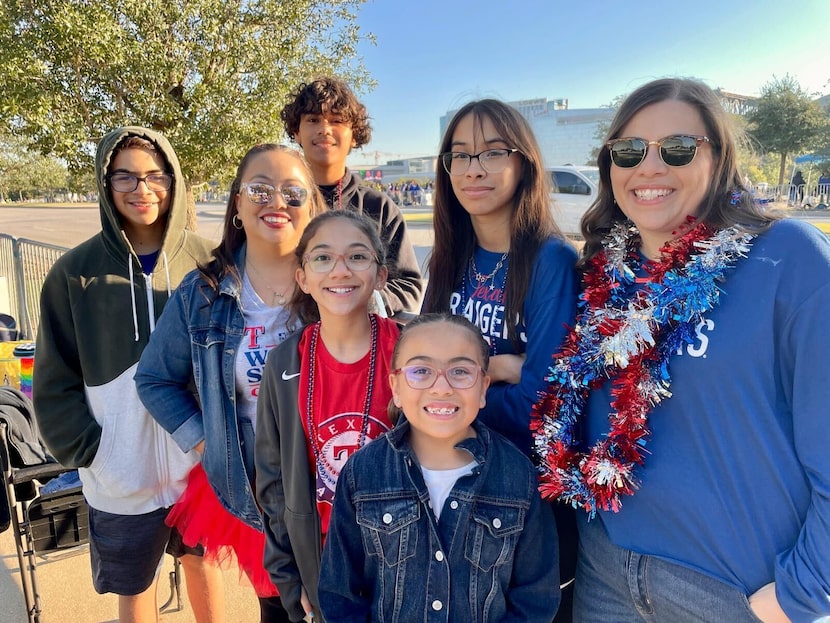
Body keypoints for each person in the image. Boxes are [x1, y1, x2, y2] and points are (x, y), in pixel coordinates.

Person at [532, 78, 830, 623]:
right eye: (628, 151)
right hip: (607, 580)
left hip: (735, 595)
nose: (649, 168)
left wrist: (800, 593)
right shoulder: (603, 277)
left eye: (678, 148)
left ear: (718, 158)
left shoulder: (788, 259)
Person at [33, 127, 224, 622]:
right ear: (105, 182)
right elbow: (54, 379)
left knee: (206, 568)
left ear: (174, 181)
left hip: (200, 466)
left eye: (155, 176)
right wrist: (92, 452)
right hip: (119, 472)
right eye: (126, 177)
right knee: (135, 586)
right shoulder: (75, 272)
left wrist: (224, 441)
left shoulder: (209, 262)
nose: (142, 189)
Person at [135, 144, 326, 622]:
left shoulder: (340, 281)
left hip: (333, 488)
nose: (276, 202)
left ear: (313, 208)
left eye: (292, 191)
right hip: (252, 491)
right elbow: (155, 379)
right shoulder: (200, 294)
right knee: (282, 611)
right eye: (259, 189)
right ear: (237, 204)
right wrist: (205, 442)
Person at [422, 99, 579, 619]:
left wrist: (458, 391)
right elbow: (422, 373)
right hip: (451, 483)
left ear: (523, 163)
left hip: (523, 498)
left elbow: (544, 402)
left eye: (492, 152)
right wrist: (500, 369)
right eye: (460, 155)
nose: (474, 168)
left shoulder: (551, 260)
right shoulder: (450, 258)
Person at [317, 313, 561, 622]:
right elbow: (341, 594)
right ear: (395, 387)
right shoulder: (362, 473)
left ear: (484, 387)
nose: (442, 387)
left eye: (460, 371)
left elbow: (535, 598)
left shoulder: (518, 477)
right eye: (421, 371)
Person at [255, 210, 400, 622]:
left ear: (381, 275)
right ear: (302, 277)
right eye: (322, 258)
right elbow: (272, 481)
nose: (340, 270)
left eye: (357, 257)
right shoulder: (285, 363)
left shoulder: (409, 354)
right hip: (323, 564)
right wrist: (288, 575)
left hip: (401, 557)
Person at [280, 75, 424, 317]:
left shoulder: (379, 209)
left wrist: (360, 298)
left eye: (336, 121)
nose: (324, 129)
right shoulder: (280, 203)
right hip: (287, 343)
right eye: (313, 120)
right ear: (296, 132)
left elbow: (408, 286)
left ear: (354, 136)